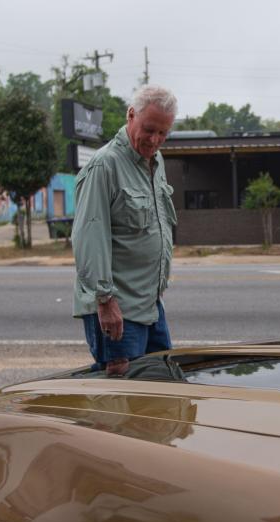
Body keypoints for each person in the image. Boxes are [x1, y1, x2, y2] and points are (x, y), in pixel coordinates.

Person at [72, 85, 178, 376]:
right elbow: (88, 238)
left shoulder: (156, 162)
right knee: (122, 398)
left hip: (149, 305)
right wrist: (105, 301)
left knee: (161, 384)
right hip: (118, 309)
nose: (155, 140)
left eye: (163, 133)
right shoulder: (104, 165)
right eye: (149, 129)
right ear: (131, 115)